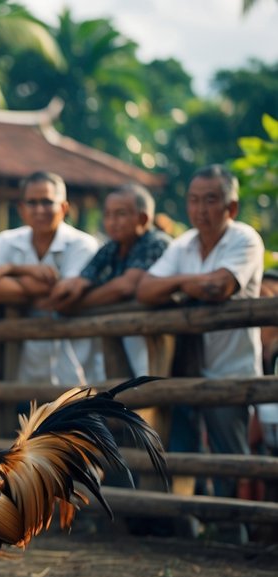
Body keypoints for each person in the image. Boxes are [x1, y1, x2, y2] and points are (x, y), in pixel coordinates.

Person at [137, 164, 265, 499]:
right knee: (183, 457)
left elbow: (220, 287)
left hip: (232, 371)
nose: (200, 209)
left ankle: (234, 527)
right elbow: (146, 289)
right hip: (187, 372)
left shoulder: (245, 239)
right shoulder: (183, 245)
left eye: (210, 199)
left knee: (231, 463)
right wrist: (187, 282)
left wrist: (175, 285)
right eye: (193, 200)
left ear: (231, 207)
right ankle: (190, 524)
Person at [0, 171, 100, 386]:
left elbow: (61, 294)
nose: (39, 209)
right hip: (21, 361)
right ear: (21, 208)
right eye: (32, 202)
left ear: (64, 208)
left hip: (76, 358)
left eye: (47, 202)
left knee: (76, 401)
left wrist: (7, 278)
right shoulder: (7, 240)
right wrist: (21, 270)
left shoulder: (82, 244)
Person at [48, 183, 171, 377]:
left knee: (149, 384)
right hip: (123, 336)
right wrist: (68, 293)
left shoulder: (155, 242)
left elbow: (125, 287)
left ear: (143, 218)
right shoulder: (111, 248)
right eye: (107, 215)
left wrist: (76, 305)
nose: (112, 221)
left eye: (120, 214)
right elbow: (79, 282)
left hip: (155, 338)